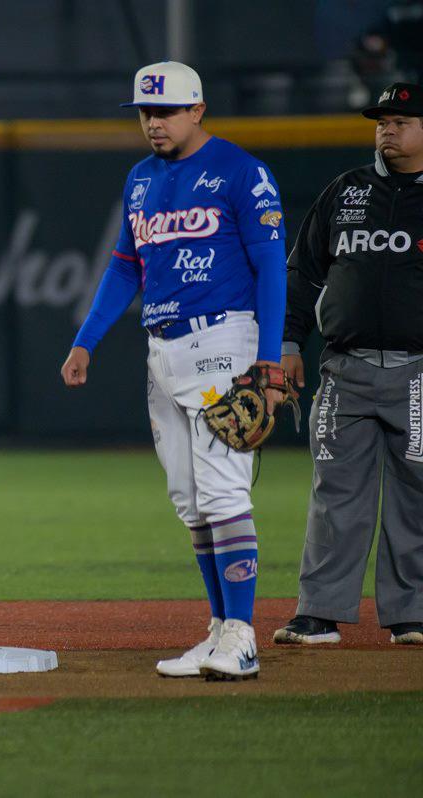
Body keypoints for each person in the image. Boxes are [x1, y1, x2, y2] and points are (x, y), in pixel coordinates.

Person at [61, 62, 288, 680]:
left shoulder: (243, 171)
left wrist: (268, 362)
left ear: (198, 110)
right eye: (144, 112)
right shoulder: (140, 179)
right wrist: (86, 341)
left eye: (164, 111)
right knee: (190, 501)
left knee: (222, 492)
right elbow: (124, 268)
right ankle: (218, 628)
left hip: (223, 339)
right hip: (162, 350)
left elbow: (273, 269)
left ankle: (241, 636)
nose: (153, 122)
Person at [273, 82, 423, 647]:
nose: (387, 128)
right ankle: (319, 612)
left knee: (418, 493)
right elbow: (305, 273)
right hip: (345, 368)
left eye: (401, 119)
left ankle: (412, 612)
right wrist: (289, 345)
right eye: (381, 120)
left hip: (419, 372)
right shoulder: (346, 192)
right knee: (335, 490)